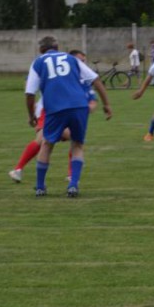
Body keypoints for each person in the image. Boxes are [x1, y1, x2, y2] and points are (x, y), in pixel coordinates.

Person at [25, 36, 112, 197]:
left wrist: (31, 116)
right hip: (79, 105)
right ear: (57, 47)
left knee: (47, 145)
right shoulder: (71, 58)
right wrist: (106, 104)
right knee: (77, 145)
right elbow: (96, 79)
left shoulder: (38, 62)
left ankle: (40, 187)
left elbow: (30, 93)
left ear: (40, 50)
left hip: (56, 107)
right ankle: (73, 185)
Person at [8, 49, 97, 183]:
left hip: (67, 111)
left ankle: (70, 175)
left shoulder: (83, 79)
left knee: (70, 140)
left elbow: (92, 99)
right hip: (49, 110)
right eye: (80, 60)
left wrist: (90, 106)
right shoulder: (57, 69)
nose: (82, 63)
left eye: (84, 61)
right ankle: (19, 170)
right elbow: (29, 87)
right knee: (44, 140)